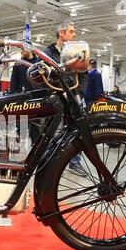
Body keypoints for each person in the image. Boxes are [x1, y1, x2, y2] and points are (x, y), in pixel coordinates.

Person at [42, 21, 86, 177]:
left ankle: (75, 162)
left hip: (73, 97)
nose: (74, 35)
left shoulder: (77, 52)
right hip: (56, 98)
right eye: (71, 31)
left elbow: (84, 74)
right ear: (61, 33)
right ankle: (49, 163)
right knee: (54, 131)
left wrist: (78, 93)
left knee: (77, 129)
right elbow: (43, 76)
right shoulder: (47, 53)